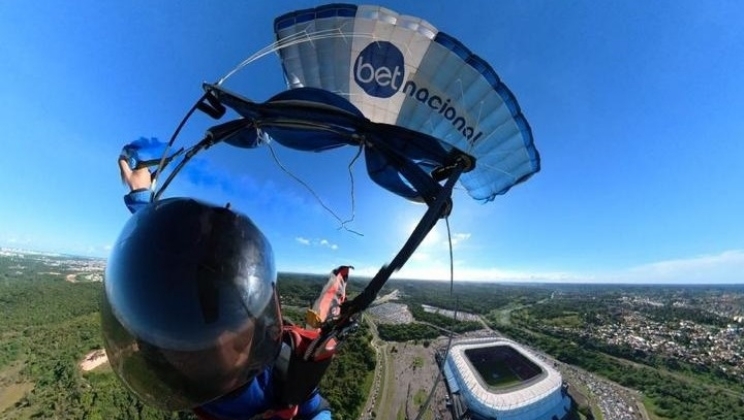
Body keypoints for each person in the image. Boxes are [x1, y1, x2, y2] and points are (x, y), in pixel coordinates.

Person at [103, 143, 346, 419]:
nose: (186, 350)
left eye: (206, 327)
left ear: (254, 332)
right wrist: (141, 199)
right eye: (177, 330)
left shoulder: (285, 371)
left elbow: (316, 409)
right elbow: (166, 263)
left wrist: (142, 199)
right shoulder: (192, 370)